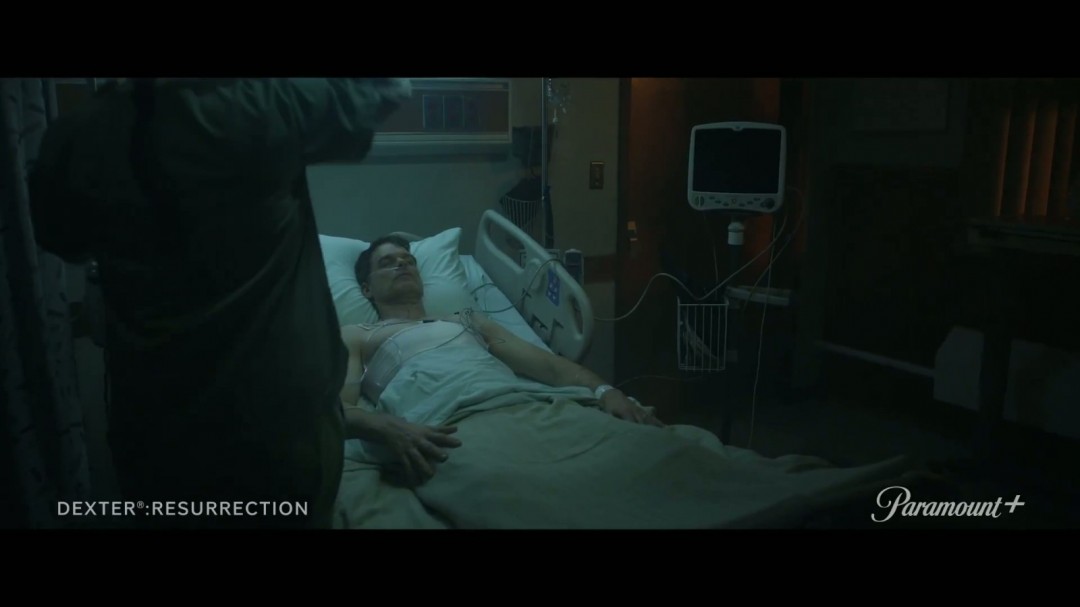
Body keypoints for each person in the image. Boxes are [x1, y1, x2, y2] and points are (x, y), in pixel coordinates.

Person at [28, 78, 411, 529]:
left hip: (155, 440)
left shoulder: (79, 137)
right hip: (274, 442)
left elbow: (63, 239)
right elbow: (387, 88)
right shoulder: (262, 105)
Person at [337, 235, 664, 487]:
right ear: (366, 289)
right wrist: (387, 428)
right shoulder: (358, 335)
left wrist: (606, 391)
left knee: (647, 455)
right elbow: (340, 410)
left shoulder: (468, 320)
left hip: (523, 408)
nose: (402, 265)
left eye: (409, 260)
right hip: (450, 425)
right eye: (388, 263)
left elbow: (550, 367)